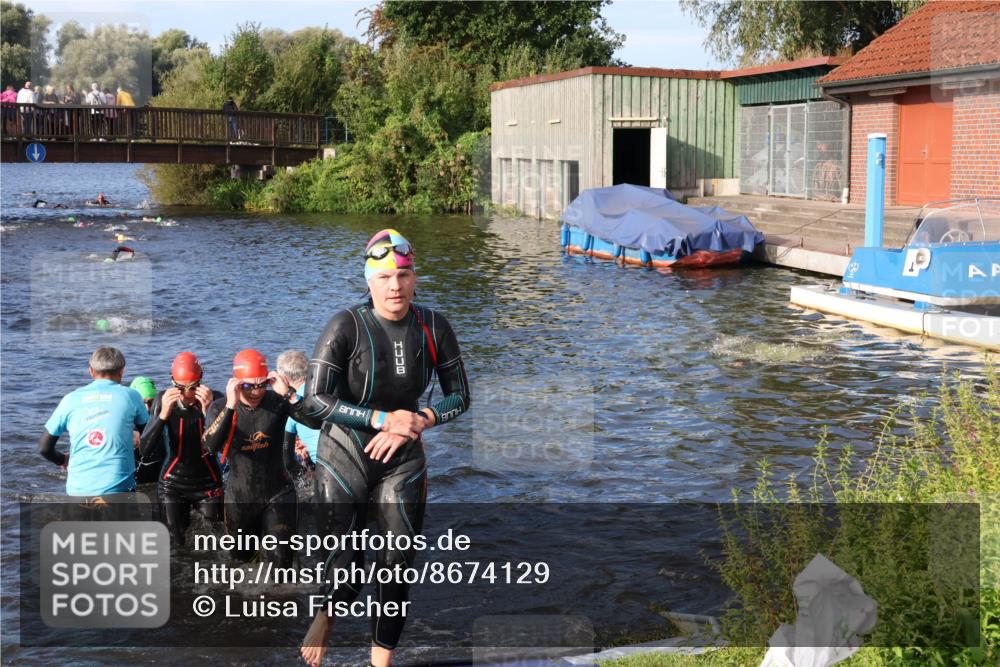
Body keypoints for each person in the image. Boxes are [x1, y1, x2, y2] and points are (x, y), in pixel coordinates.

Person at [299, 229, 471, 667]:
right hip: (346, 451)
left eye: (404, 275)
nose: (395, 286)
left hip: (404, 451)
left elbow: (460, 395)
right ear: (369, 280)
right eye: (384, 277)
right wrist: (380, 419)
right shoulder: (346, 325)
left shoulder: (433, 326)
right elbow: (315, 401)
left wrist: (419, 420)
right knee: (349, 560)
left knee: (397, 560)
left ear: (415, 278)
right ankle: (326, 616)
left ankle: (381, 661)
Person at [202, 349, 310, 565]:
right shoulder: (221, 407)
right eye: (248, 386)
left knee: (283, 564)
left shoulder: (277, 402)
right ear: (236, 383)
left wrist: (289, 394)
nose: (256, 392)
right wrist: (231, 406)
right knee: (241, 563)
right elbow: (208, 447)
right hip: (240, 499)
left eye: (261, 384)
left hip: (279, 493)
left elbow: (313, 422)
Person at [38, 346, 150, 497]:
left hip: (78, 492)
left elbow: (44, 448)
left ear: (91, 371)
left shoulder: (70, 399)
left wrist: (62, 459)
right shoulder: (131, 396)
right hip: (120, 491)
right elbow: (149, 437)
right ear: (122, 371)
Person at [139, 352, 223, 546]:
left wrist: (208, 411)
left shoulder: (216, 399)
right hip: (172, 484)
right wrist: (163, 415)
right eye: (180, 388)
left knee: (214, 543)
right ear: (172, 382)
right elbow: (145, 449)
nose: (187, 394)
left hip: (208, 482)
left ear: (201, 380)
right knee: (174, 544)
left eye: (193, 388)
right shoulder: (162, 400)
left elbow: (221, 446)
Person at [277, 350, 320, 473]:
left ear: (284, 379)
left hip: (324, 466)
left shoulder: (290, 406)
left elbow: (288, 460)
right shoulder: (324, 392)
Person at [130, 376, 163, 484]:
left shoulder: (163, 419)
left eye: (150, 402)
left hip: (157, 480)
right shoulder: (125, 424)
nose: (147, 408)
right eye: (142, 403)